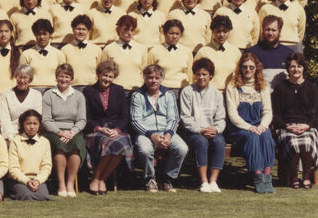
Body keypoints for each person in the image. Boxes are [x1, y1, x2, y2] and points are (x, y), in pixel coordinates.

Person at [130, 63, 187, 193]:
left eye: (157, 77)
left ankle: (167, 178)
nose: (153, 80)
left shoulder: (169, 94)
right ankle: (150, 179)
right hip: (145, 133)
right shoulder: (137, 95)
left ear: (162, 79)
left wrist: (168, 135)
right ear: (145, 78)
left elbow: (174, 118)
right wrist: (152, 136)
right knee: (145, 150)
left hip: (166, 131)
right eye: (150, 77)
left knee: (182, 148)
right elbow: (135, 121)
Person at [226, 52, 277, 194]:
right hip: (240, 128)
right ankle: (258, 176)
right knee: (253, 137)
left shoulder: (263, 86)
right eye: (244, 67)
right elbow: (232, 114)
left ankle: (267, 177)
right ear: (240, 68)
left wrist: (262, 126)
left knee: (267, 136)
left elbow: (268, 111)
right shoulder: (233, 86)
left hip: (259, 125)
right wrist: (249, 127)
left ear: (257, 68)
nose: (248, 70)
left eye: (251, 67)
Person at [82, 60, 132, 196]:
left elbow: (125, 116)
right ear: (98, 74)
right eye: (105, 75)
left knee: (122, 143)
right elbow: (86, 117)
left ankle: (100, 179)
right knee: (107, 142)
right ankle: (97, 179)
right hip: (96, 131)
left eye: (111, 76)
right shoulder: (88, 91)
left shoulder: (119, 90)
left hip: (116, 130)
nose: (107, 79)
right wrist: (99, 129)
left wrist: (117, 130)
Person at [179, 58, 228, 193]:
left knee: (219, 141)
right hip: (194, 132)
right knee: (201, 142)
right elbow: (186, 118)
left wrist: (216, 129)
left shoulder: (217, 94)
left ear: (210, 75)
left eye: (204, 74)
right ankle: (204, 181)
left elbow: (221, 118)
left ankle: (213, 181)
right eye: (198, 74)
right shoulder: (187, 92)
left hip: (212, 131)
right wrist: (200, 130)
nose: (201, 77)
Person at [271, 52, 318, 189]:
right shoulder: (280, 88)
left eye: (299, 66)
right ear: (288, 68)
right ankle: (293, 177)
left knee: (307, 140)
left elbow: (317, 114)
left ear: (303, 68)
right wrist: (287, 127)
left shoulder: (312, 88)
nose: (295, 69)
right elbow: (275, 114)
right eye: (292, 66)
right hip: (286, 127)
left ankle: (306, 176)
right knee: (293, 141)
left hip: (306, 126)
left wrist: (307, 126)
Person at [41, 63, 87, 197]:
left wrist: (73, 132)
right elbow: (46, 120)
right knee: (59, 145)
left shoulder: (79, 96)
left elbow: (82, 120)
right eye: (61, 76)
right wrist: (60, 132)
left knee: (76, 145)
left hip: (73, 131)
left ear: (71, 79)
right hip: (54, 131)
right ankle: (61, 184)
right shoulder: (48, 95)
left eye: (67, 77)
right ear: (56, 77)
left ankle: (70, 184)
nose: (64, 79)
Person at [7, 109, 53, 201]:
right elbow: (13, 168)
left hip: (37, 179)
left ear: (39, 125)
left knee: (42, 196)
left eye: (35, 124)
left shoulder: (45, 142)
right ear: (22, 125)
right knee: (25, 195)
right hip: (19, 179)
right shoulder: (15, 141)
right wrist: (26, 181)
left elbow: (46, 166)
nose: (32, 127)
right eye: (28, 123)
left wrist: (38, 180)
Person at [0, 63, 44, 142]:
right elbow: (5, 119)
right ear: (16, 77)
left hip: (30, 134)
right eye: (19, 77)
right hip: (11, 134)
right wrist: (11, 138)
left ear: (30, 79)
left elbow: (36, 119)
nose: (22, 81)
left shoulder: (37, 95)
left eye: (25, 77)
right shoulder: (6, 94)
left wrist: (28, 136)